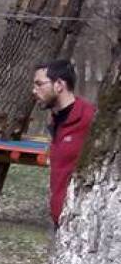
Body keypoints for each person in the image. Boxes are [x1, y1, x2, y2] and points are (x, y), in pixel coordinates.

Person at [31, 59, 97, 226]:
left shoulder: (90, 119)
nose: (34, 90)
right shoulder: (56, 120)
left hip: (84, 223)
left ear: (59, 85)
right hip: (59, 221)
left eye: (39, 84)